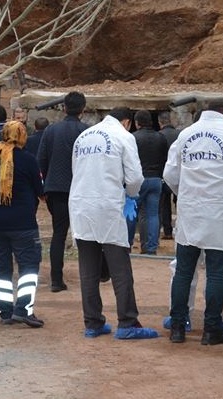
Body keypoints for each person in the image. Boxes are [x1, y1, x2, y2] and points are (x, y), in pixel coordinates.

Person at [163, 99, 223, 345]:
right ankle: (212, 330)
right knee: (215, 274)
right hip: (219, 214)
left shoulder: (185, 135)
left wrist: (187, 193)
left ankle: (178, 328)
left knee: (183, 272)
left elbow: (170, 174)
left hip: (190, 213)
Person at [69, 107, 158, 340]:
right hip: (107, 206)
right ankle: (127, 322)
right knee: (120, 267)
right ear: (127, 121)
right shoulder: (123, 136)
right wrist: (131, 194)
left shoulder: (84, 136)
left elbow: (76, 171)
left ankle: (93, 323)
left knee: (88, 269)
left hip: (80, 205)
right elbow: (135, 177)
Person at [0, 120, 46, 327]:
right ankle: (23, 309)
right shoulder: (28, 160)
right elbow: (40, 190)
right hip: (23, 224)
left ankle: (5, 312)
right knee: (29, 266)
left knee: (0, 269)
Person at [36, 91, 88, 292]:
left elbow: (41, 160)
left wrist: (44, 186)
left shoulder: (50, 131)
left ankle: (56, 280)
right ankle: (90, 276)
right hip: (80, 188)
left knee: (59, 233)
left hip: (55, 188)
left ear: (64, 108)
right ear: (83, 109)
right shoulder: (87, 132)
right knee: (85, 234)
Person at [127, 109, 168, 255]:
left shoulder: (132, 138)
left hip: (138, 180)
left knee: (131, 212)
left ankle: (128, 244)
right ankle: (151, 247)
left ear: (137, 123)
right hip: (156, 179)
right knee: (152, 214)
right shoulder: (160, 137)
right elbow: (165, 159)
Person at [157, 111, 180, 239]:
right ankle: (179, 227)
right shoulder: (180, 135)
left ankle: (167, 231)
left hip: (163, 173)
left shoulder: (158, 135)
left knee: (164, 203)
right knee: (179, 202)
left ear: (160, 123)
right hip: (180, 173)